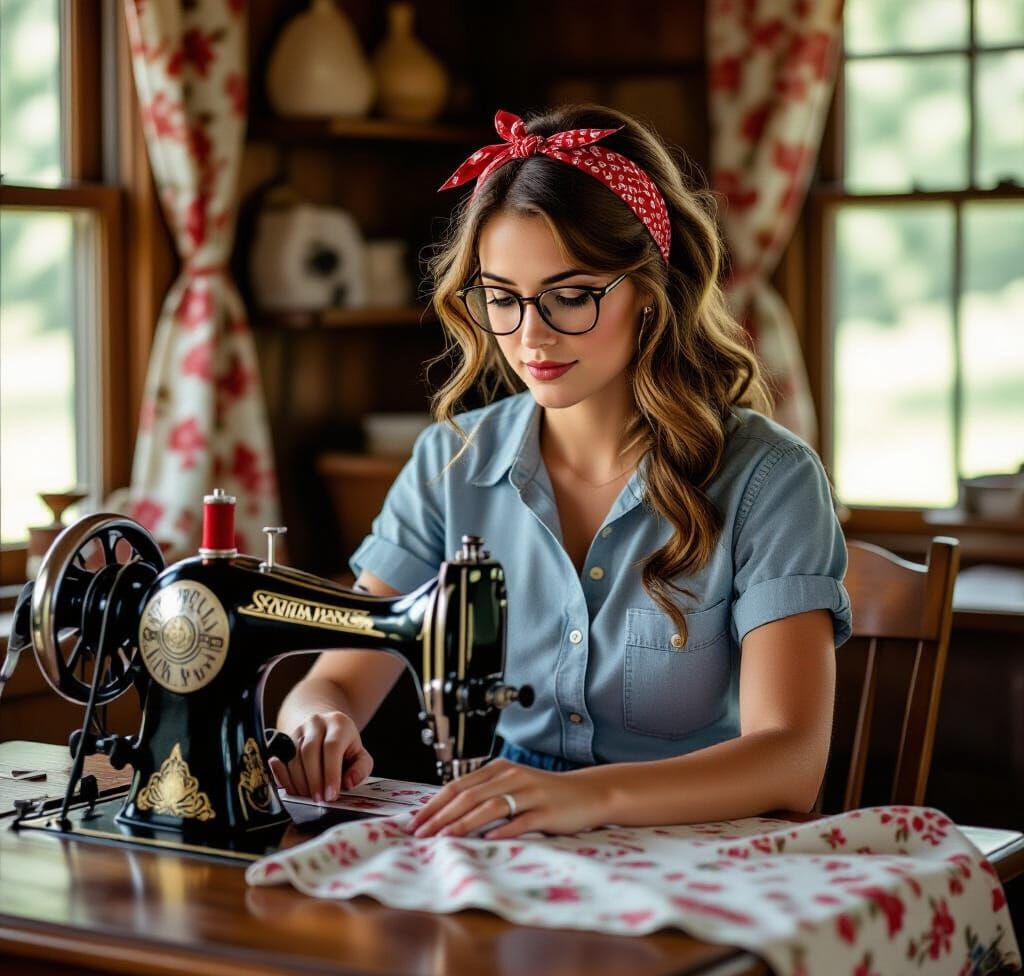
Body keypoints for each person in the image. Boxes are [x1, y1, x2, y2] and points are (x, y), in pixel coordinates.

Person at [272, 104, 851, 841]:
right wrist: (315, 722)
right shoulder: (451, 464)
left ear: (649, 287)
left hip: (701, 842)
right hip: (514, 833)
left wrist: (587, 797)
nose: (530, 336)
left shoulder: (770, 480)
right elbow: (337, 678)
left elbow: (792, 759)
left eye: (570, 296)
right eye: (501, 300)